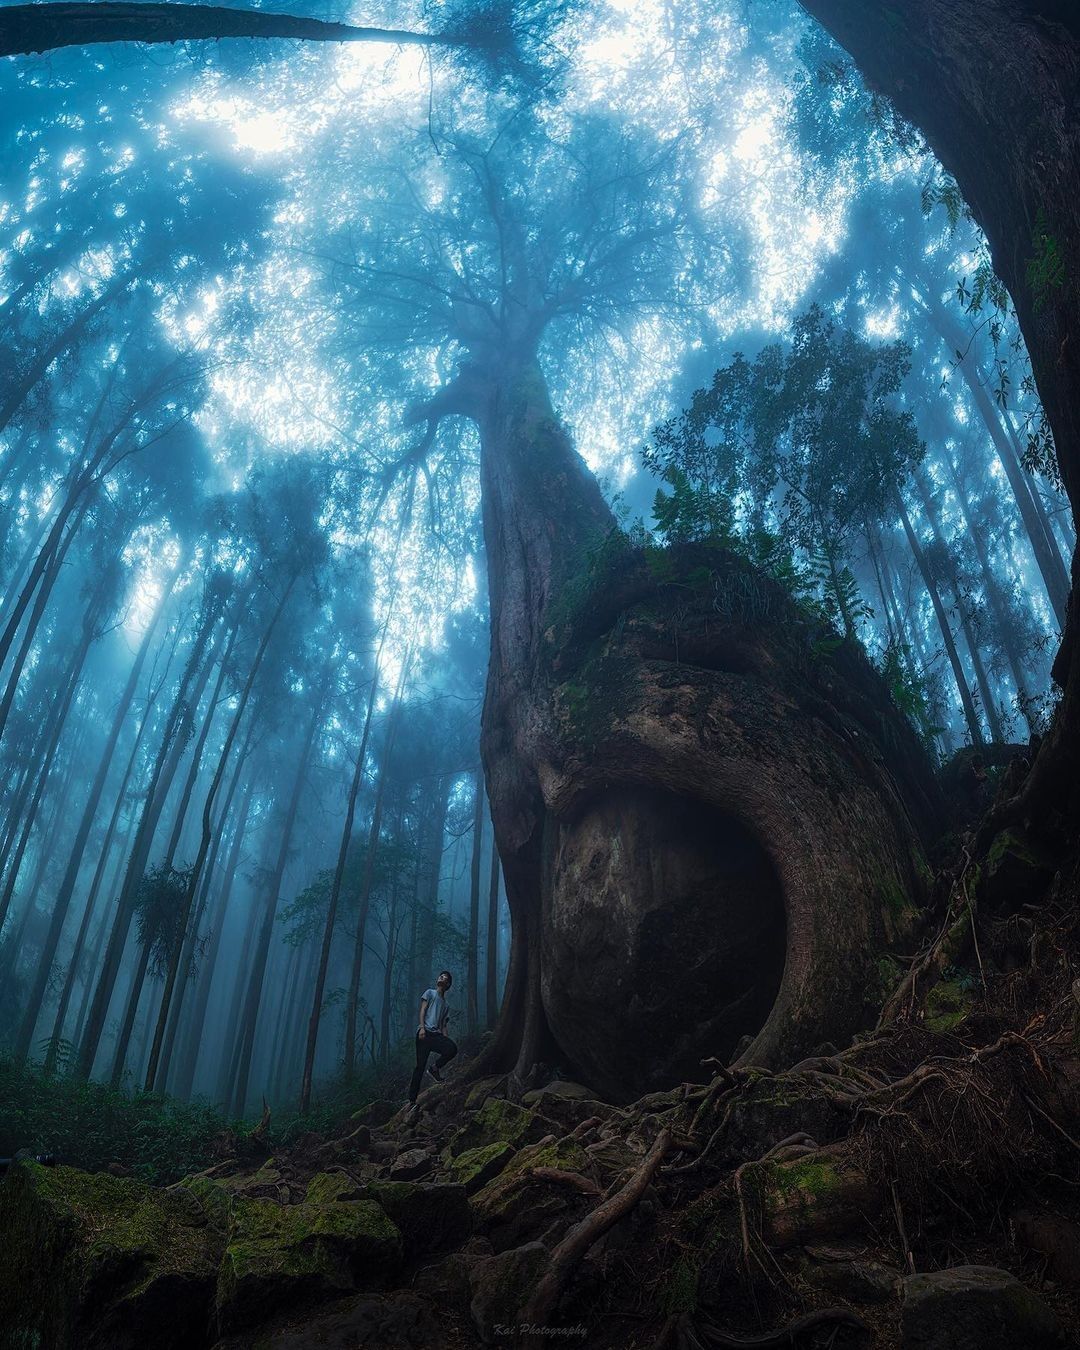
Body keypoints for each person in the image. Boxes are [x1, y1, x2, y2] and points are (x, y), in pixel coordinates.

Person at [407, 970, 457, 1105]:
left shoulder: (446, 1005)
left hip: (435, 1035)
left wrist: (446, 1039)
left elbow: (443, 1024)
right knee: (419, 1067)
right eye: (440, 976)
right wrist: (422, 1028)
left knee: (453, 1048)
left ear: (448, 984)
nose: (441, 977)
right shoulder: (430, 993)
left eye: (445, 977)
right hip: (424, 1034)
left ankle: (434, 1069)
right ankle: (412, 1100)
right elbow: (423, 1010)